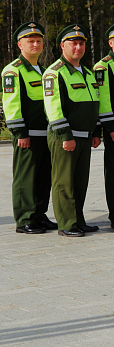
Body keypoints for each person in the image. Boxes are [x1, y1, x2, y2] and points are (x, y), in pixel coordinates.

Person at [43, 24, 101, 236]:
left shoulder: (87, 72)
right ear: (62, 46)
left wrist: (96, 132)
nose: (78, 47)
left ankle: (78, 219)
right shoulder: (54, 73)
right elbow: (53, 108)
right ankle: (66, 224)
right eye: (73, 43)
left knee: (80, 182)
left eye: (81, 43)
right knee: (64, 182)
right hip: (65, 137)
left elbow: (96, 103)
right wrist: (65, 136)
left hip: (84, 136)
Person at [4, 22, 56, 234]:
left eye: (39, 41)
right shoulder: (13, 71)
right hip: (28, 136)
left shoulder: (44, 71)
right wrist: (20, 133)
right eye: (30, 41)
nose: (35, 44)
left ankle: (39, 215)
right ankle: (24, 219)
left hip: (46, 135)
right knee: (26, 179)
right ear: (20, 45)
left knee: (44, 177)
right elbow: (11, 105)